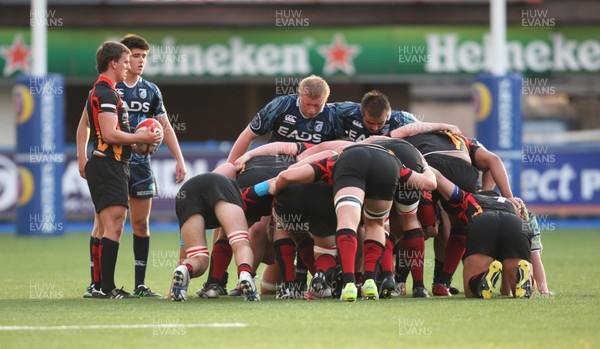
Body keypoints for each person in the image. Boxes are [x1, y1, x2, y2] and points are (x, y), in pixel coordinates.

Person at [258, 142, 437, 301]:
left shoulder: (334, 159)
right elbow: (430, 184)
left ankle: (349, 284)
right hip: (388, 164)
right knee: (376, 224)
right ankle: (369, 282)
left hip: (352, 163)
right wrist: (426, 166)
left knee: (348, 222)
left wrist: (275, 186)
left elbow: (287, 176)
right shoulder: (395, 159)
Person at [79, 34, 186, 298]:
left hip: (136, 164)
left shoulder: (150, 90)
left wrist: (179, 158)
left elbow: (165, 125)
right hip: (110, 161)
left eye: (142, 57)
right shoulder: (106, 90)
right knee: (105, 224)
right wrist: (82, 156)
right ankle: (99, 285)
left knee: (139, 223)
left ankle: (138, 284)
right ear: (118, 61)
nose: (136, 62)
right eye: (132, 57)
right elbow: (87, 124)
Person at [431, 168, 533, 299]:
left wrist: (422, 161)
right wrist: (505, 288)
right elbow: (505, 291)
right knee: (519, 289)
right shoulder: (510, 203)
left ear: (480, 192)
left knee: (471, 292)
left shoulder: (470, 197)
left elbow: (439, 177)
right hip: (516, 223)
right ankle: (525, 279)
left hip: (483, 220)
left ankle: (481, 279)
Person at [169, 172, 263, 302]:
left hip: (185, 192)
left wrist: (172, 289)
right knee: (240, 243)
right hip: (222, 188)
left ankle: (184, 269)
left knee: (199, 259)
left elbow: (183, 246)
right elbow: (271, 184)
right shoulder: (243, 193)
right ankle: (245, 274)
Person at [226, 75, 344, 163]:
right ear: (299, 95)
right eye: (307, 104)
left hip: (312, 165)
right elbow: (248, 135)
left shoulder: (333, 117)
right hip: (275, 161)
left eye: (317, 105)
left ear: (326, 100)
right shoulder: (280, 106)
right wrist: (230, 166)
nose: (311, 110)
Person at [331, 90, 418, 142]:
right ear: (362, 113)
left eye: (380, 123)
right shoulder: (346, 111)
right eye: (370, 122)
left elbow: (423, 129)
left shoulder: (402, 120)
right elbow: (323, 108)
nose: (375, 128)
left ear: (388, 115)